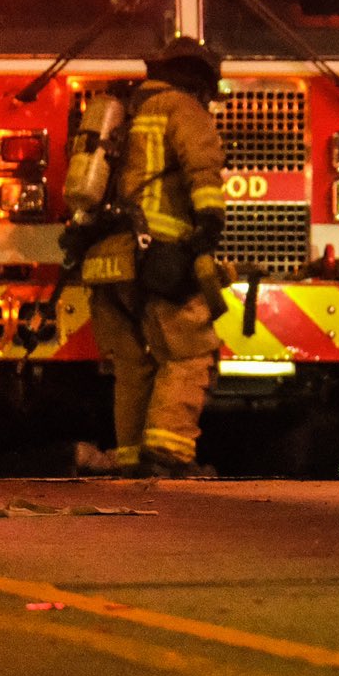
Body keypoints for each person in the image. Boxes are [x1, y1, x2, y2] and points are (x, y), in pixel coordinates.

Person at [80, 37, 231, 477]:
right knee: (188, 354)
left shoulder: (121, 114)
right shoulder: (182, 109)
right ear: (199, 81)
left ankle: (130, 460)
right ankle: (168, 454)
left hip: (103, 262)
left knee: (132, 367)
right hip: (156, 261)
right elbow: (202, 167)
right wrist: (210, 222)